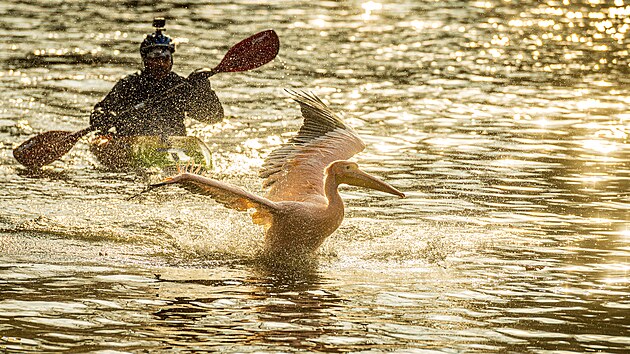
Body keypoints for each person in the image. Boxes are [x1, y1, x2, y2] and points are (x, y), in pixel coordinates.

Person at [90, 18, 224, 137]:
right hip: (133, 144)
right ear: (145, 60)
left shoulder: (180, 86)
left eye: (165, 58)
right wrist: (103, 117)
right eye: (154, 58)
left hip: (173, 145)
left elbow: (213, 117)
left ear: (171, 61)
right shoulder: (130, 84)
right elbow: (100, 110)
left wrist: (204, 90)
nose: (160, 63)